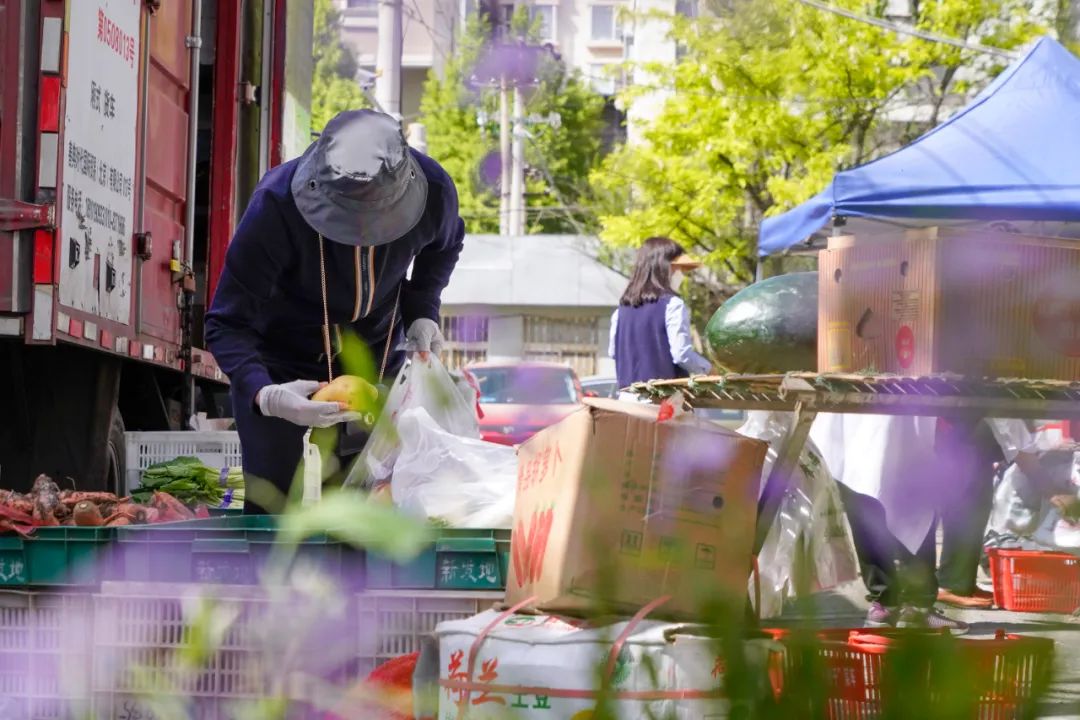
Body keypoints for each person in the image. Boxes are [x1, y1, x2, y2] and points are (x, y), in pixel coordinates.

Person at [206, 110, 464, 513]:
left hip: (373, 358)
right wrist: (265, 394)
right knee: (273, 505)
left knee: (366, 503)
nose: (361, 235)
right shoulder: (276, 205)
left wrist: (423, 310)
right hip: (281, 361)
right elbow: (226, 323)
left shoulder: (434, 191)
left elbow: (444, 247)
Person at [608, 237, 711, 395]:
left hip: (626, 399)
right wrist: (708, 369)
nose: (681, 275)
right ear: (664, 268)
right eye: (678, 269)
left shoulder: (621, 311)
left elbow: (613, 352)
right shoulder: (673, 305)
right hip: (661, 402)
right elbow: (681, 355)